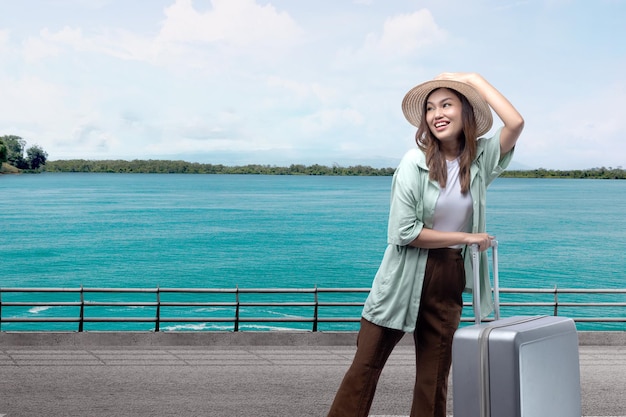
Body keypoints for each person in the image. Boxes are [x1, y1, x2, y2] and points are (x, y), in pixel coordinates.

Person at [326, 72, 524, 417]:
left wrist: (473, 80)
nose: (437, 114)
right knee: (364, 369)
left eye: (447, 104)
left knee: (433, 380)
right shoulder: (413, 164)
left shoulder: (479, 162)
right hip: (402, 273)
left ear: (466, 113)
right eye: (431, 108)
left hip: (448, 273)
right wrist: (467, 237)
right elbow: (404, 232)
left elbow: (516, 122)